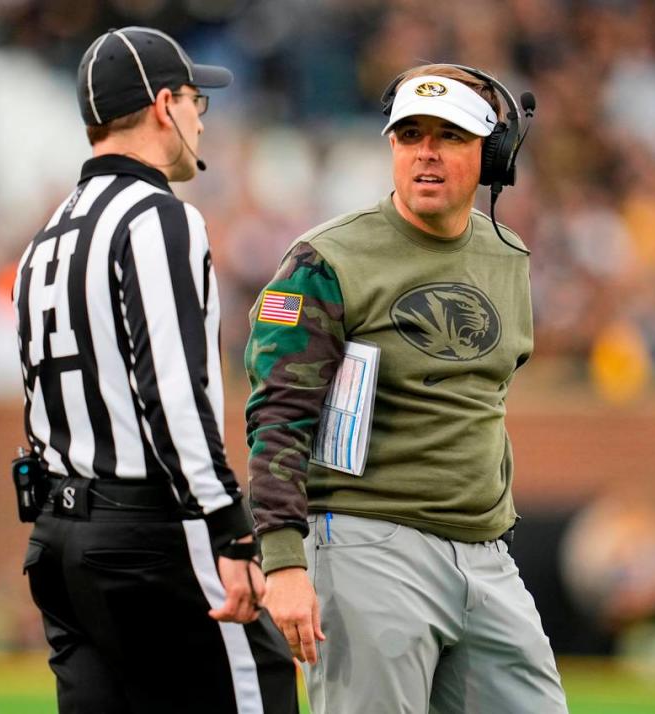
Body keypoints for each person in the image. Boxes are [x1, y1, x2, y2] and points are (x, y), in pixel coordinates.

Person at [245, 63, 568, 713]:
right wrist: (282, 561)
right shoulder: (325, 260)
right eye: (409, 134)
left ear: (492, 153)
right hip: (369, 544)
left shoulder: (508, 255)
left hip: (487, 552)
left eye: (448, 135)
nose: (426, 151)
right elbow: (279, 414)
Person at [13, 26, 296, 714]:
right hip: (149, 530)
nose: (202, 117)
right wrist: (230, 524)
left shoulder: (45, 240)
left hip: (58, 535)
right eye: (197, 100)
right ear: (165, 105)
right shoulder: (158, 218)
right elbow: (169, 392)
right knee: (257, 694)